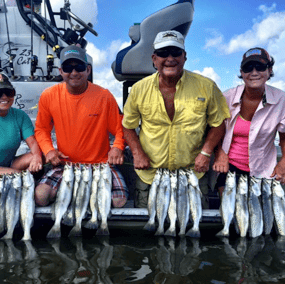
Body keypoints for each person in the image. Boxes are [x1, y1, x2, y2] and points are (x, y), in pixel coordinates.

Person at [122, 30, 230, 208]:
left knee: (193, 230)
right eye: (163, 53)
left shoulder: (207, 86)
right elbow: (128, 126)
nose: (170, 58)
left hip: (192, 176)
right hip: (151, 176)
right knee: (149, 230)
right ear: (154, 58)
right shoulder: (139, 89)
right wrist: (137, 153)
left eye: (176, 52)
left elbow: (218, 123)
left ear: (184, 56)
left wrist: (206, 153)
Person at [34, 45, 128, 208]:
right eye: (68, 68)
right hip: (66, 165)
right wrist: (48, 150)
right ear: (60, 71)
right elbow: (41, 129)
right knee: (41, 196)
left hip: (101, 165)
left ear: (88, 70)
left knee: (118, 201)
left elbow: (121, 128)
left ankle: (77, 198)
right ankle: (76, 198)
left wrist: (118, 147)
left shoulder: (104, 96)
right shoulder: (48, 96)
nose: (74, 72)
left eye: (79, 67)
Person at [213, 47, 285, 193]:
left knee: (261, 215)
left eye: (260, 67)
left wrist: (283, 162)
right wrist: (220, 154)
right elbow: (215, 129)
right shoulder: (227, 97)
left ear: (269, 70)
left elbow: (283, 137)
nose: (254, 73)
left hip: (264, 171)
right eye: (248, 68)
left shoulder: (281, 99)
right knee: (231, 214)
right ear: (241, 72)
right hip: (229, 168)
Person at [0, 72, 42, 175]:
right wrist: (16, 173)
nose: (4, 97)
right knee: (18, 176)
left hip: (9, 163)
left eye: (8, 92)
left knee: (39, 155)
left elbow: (32, 142)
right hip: (8, 169)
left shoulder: (20, 115)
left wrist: (37, 157)